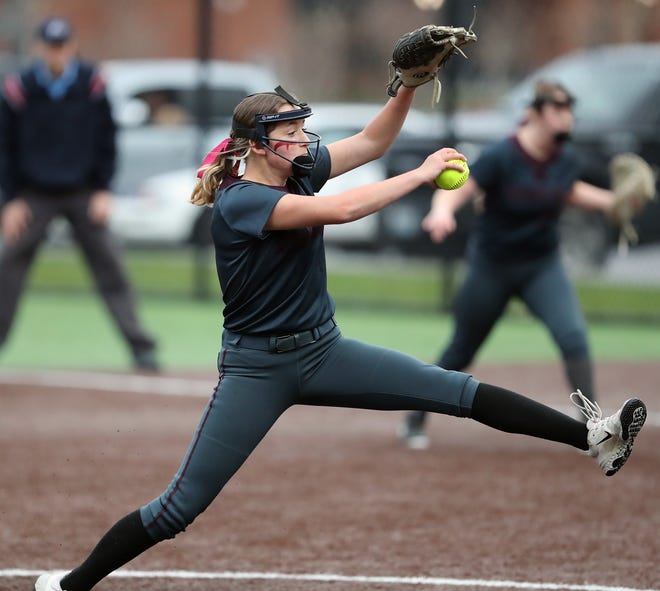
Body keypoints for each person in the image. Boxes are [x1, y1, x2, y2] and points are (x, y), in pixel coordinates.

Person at [33, 84, 647, 591]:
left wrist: (406, 85)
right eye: (291, 132)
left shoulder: (294, 170)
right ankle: (69, 585)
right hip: (258, 370)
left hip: (326, 351)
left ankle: (594, 436)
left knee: (453, 390)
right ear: (256, 145)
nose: (304, 140)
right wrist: (423, 174)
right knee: (177, 509)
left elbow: (376, 140)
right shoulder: (241, 200)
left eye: (304, 129)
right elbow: (347, 210)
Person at [399, 80, 625, 450]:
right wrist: (441, 213)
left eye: (570, 109)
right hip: (493, 266)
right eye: (558, 108)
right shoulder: (503, 155)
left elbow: (569, 190)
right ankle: (415, 418)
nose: (567, 116)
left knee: (573, 336)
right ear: (535, 114)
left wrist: (615, 201)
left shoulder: (565, 159)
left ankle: (595, 428)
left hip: (541, 265)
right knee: (461, 350)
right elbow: (461, 189)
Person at [0, 16, 159, 370]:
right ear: (40, 48)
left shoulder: (93, 84)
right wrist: (10, 200)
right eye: (50, 46)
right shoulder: (19, 89)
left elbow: (108, 140)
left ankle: (141, 347)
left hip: (84, 192)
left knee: (110, 265)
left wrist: (104, 189)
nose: (56, 53)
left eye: (62, 46)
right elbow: (5, 148)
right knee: (8, 265)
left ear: (71, 46)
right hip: (33, 194)